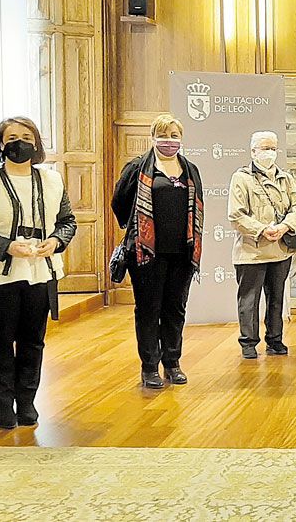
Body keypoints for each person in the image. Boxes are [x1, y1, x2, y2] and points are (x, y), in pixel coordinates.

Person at [0, 117, 76, 429]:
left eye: (26, 136)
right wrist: (7, 246)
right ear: (0, 144)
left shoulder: (53, 180)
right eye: (11, 137)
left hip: (40, 273)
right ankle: (2, 408)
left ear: (35, 143)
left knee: (33, 341)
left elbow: (67, 221)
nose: (19, 142)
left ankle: (26, 402)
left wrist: (57, 240)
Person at [111, 114, 204, 389]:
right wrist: (137, 228)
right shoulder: (138, 167)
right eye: (164, 135)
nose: (169, 140)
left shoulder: (190, 169)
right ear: (153, 137)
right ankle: (149, 366)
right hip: (146, 254)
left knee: (175, 309)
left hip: (182, 253)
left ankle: (172, 363)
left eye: (175, 135)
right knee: (149, 310)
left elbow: (198, 203)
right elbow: (119, 201)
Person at [228, 131, 296, 359]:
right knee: (249, 300)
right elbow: (236, 215)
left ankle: (275, 339)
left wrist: (284, 227)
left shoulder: (286, 178)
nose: (269, 153)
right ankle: (249, 343)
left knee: (276, 297)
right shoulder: (241, 178)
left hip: (281, 250)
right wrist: (262, 229)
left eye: (272, 148)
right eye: (264, 148)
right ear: (253, 152)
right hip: (252, 252)